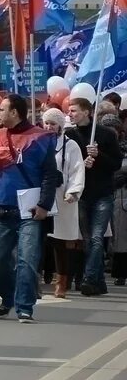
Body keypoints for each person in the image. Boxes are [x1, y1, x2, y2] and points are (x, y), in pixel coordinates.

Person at [0, 94, 63, 323]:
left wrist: (44, 204)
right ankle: (8, 298)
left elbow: (50, 174)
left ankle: (25, 306)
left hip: (29, 210)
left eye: (2, 110)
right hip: (1, 207)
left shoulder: (42, 137)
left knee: (27, 259)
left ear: (15, 112)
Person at [65, 97, 122, 296]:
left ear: (87, 112)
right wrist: (82, 162)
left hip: (102, 193)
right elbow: (67, 165)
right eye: (69, 111)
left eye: (74, 110)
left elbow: (115, 164)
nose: (70, 114)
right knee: (88, 239)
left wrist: (99, 156)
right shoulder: (69, 135)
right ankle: (98, 282)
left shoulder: (105, 134)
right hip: (81, 193)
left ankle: (89, 278)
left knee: (97, 237)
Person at [41, 107, 85, 299]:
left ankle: (62, 282)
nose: (49, 126)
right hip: (43, 196)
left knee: (61, 242)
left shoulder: (71, 145)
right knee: (40, 239)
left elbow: (77, 169)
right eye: (46, 123)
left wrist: (74, 191)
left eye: (53, 123)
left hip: (62, 197)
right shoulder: (38, 142)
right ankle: (38, 277)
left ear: (60, 126)